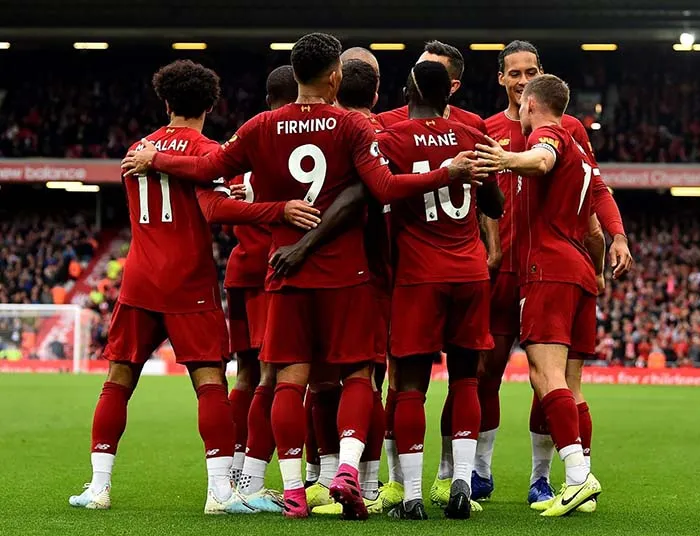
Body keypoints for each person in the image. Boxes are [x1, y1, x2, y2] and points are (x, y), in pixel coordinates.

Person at [121, 32, 480, 519]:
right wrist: (448, 172)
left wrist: (155, 157)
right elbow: (386, 188)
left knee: (288, 379)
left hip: (285, 270)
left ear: (295, 73)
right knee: (358, 373)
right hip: (347, 274)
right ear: (334, 75)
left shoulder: (259, 127)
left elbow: (208, 169)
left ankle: (293, 490)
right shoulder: (351, 127)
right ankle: (350, 472)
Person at [69, 60, 318, 514]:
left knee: (117, 381)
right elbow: (213, 211)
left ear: (165, 102)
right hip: (189, 284)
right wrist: (274, 209)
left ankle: (98, 487)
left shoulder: (137, 149)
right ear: (210, 104)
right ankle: (220, 492)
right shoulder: (209, 152)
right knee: (209, 385)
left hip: (140, 279)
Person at [476, 41, 633, 511]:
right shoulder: (487, 129)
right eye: (514, 73)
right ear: (502, 79)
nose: (522, 79)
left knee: (547, 380)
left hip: (544, 269)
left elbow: (582, 180)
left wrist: (615, 235)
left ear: (537, 82)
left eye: (530, 72)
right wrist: (493, 246)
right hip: (508, 269)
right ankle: (478, 472)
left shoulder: (563, 130)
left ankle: (551, 478)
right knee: (493, 373)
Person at [376, 39, 500, 509]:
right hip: (470, 271)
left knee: (409, 385)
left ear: (408, 89)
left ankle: (408, 494)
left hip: (418, 274)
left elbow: (379, 194)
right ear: (448, 94)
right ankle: (462, 480)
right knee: (466, 380)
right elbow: (495, 204)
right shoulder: (470, 135)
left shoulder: (390, 139)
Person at [306, 57, 392, 516]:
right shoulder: (390, 132)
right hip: (377, 273)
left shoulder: (323, 131)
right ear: (377, 93)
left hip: (318, 269)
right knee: (368, 379)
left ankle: (320, 477)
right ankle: (370, 481)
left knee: (316, 380)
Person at [226, 64, 299, 514]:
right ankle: (251, 480)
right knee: (279, 377)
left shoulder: (243, 138)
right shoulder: (287, 139)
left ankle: (232, 472)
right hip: (275, 271)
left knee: (248, 374)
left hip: (240, 269)